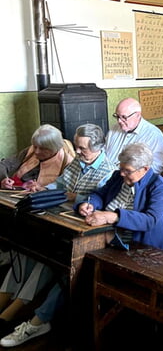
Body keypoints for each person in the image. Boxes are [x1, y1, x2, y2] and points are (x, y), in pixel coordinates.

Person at [0, 124, 115, 348]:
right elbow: (60, 185)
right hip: (60, 226)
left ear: (97, 147)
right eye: (78, 147)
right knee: (27, 253)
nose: (77, 152)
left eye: (82, 148)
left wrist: (73, 196)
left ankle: (29, 317)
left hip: (85, 236)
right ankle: (6, 304)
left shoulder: (109, 171)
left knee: (51, 261)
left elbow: (97, 202)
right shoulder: (77, 163)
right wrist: (43, 188)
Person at [76, 142, 163, 250]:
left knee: (85, 246)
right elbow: (100, 194)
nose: (122, 173)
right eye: (121, 168)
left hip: (138, 242)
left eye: (127, 170)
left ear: (145, 169)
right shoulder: (118, 176)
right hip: (108, 230)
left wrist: (112, 217)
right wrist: (90, 204)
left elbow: (149, 220)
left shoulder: (159, 186)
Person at [0, 124, 74, 192]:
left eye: (43, 148)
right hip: (14, 191)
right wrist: (4, 178)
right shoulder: (30, 150)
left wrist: (43, 188)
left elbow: (63, 186)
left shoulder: (68, 163)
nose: (36, 152)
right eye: (35, 146)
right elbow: (4, 164)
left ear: (54, 148)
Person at [105, 98, 163, 174]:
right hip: (106, 176)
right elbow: (104, 154)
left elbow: (156, 169)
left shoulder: (153, 135)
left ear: (137, 115)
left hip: (130, 180)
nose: (119, 121)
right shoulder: (114, 129)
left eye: (124, 117)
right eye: (117, 116)